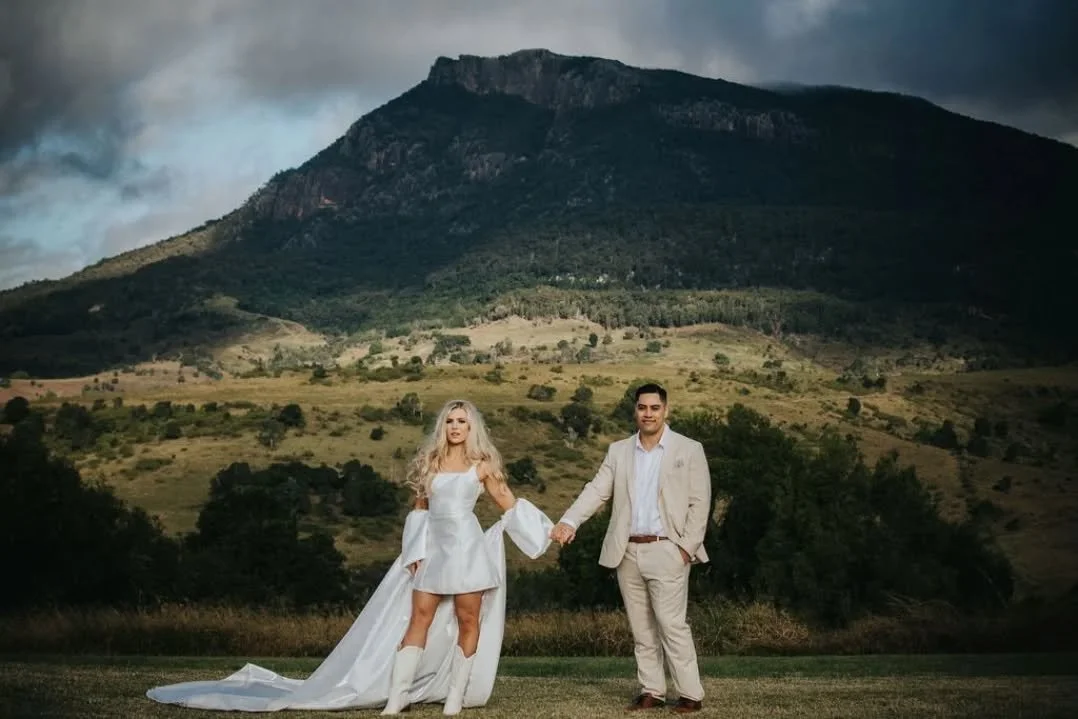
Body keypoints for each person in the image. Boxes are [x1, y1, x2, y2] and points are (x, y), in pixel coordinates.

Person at [147, 399, 553, 715]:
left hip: (467, 550)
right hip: (435, 551)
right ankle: (396, 699)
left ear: (472, 427)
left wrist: (548, 532)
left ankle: (455, 699)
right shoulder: (430, 463)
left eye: (462, 421)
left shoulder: (482, 467)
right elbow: (419, 510)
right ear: (443, 427)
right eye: (450, 421)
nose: (455, 427)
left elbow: (508, 503)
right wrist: (413, 552)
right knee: (419, 620)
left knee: (468, 620)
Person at [550, 383, 710, 714]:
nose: (648, 413)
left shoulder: (689, 449)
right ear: (635, 410)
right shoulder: (619, 451)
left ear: (666, 410)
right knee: (641, 627)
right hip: (628, 552)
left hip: (668, 550)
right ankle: (652, 690)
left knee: (671, 624)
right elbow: (596, 491)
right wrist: (569, 522)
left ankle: (691, 694)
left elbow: (700, 502)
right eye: (642, 407)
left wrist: (685, 549)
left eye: (654, 407)